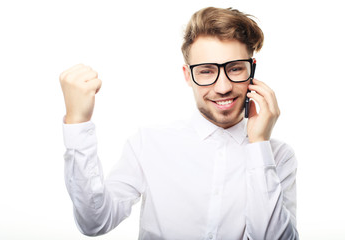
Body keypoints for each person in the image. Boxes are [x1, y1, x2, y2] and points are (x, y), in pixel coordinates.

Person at [59, 7, 299, 240]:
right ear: (188, 76)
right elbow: (94, 222)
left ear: (252, 70)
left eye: (235, 68)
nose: (223, 87)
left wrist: (258, 145)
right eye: (206, 71)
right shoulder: (149, 143)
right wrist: (78, 123)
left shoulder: (277, 156)